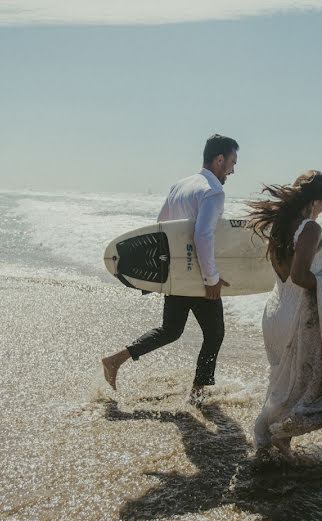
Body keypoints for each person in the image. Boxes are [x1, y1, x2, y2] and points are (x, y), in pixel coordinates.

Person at [102, 134, 238, 403]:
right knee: (214, 333)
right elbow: (204, 236)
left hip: (176, 274)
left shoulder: (180, 186)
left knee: (171, 330)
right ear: (219, 159)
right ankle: (197, 394)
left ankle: (115, 360)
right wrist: (212, 278)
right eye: (232, 162)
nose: (233, 170)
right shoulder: (213, 191)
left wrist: (167, 273)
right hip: (199, 276)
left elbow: (161, 227)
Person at [246, 170, 322, 460]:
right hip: (295, 314)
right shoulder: (310, 229)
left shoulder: (281, 225)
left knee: (283, 384)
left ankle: (274, 443)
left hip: (274, 311)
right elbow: (299, 276)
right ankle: (274, 438)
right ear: (318, 201)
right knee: (305, 387)